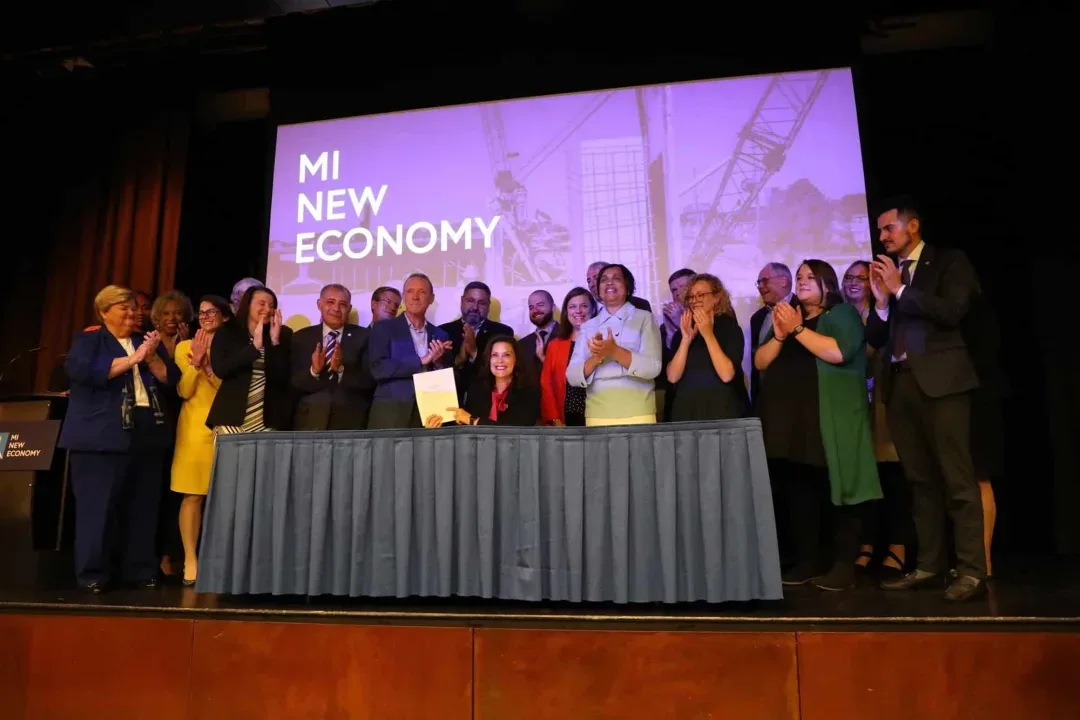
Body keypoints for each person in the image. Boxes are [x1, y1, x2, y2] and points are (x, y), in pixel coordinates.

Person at [867, 199, 986, 602]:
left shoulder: (948, 261)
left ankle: (971, 571)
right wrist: (881, 304)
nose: (882, 236)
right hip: (900, 385)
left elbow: (952, 311)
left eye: (888, 228)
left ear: (913, 226)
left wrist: (900, 289)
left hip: (942, 384)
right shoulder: (889, 275)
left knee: (957, 479)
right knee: (920, 481)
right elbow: (876, 338)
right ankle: (930, 565)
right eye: (880, 230)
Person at [755, 260, 881, 591]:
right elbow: (760, 361)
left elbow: (838, 352)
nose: (802, 281)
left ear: (827, 282)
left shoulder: (841, 314)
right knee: (801, 490)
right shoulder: (788, 315)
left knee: (841, 488)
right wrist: (780, 334)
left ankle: (843, 565)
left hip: (831, 418)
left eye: (810, 276)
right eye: (799, 276)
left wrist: (797, 330)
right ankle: (808, 561)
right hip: (793, 422)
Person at [58, 285, 180, 593]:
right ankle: (93, 574)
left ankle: (141, 569)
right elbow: (86, 372)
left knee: (143, 506)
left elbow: (170, 378)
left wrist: (151, 358)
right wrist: (134, 358)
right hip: (101, 436)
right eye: (124, 307)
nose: (132, 313)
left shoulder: (144, 340)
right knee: (97, 508)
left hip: (147, 432)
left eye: (133, 308)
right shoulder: (89, 341)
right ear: (104, 312)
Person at [841, 260, 913, 580]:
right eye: (849, 277)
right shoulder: (839, 316)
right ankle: (866, 543)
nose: (854, 282)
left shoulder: (887, 313)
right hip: (851, 407)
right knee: (862, 481)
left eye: (862, 277)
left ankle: (898, 545)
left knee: (891, 476)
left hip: (882, 403)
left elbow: (874, 352)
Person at [169, 295, 231, 586]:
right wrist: (195, 363)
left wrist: (207, 367)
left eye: (212, 312)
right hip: (194, 427)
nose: (205, 317)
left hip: (228, 426)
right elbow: (183, 391)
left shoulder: (233, 349)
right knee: (192, 495)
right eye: (202, 313)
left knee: (224, 497)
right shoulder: (184, 347)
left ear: (226, 317)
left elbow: (228, 389)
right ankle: (190, 559)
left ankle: (217, 558)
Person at [567, 263, 662, 426]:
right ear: (598, 291)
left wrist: (615, 351)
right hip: (598, 413)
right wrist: (596, 358)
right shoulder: (588, 326)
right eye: (604, 280)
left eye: (616, 278)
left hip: (639, 411)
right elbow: (572, 376)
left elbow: (653, 367)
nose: (609, 282)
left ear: (628, 287)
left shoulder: (645, 318)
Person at [368, 273, 452, 429]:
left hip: (430, 415)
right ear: (404, 296)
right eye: (410, 291)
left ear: (431, 298)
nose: (415, 297)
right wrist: (420, 361)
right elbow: (378, 368)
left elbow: (446, 377)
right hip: (391, 413)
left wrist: (438, 364)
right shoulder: (384, 328)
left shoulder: (440, 334)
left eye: (422, 292)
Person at [207, 286, 293, 434]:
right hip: (230, 417)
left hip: (268, 419)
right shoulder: (228, 331)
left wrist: (275, 341)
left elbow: (283, 376)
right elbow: (221, 369)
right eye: (262, 304)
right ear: (248, 305)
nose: (267, 309)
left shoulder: (283, 333)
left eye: (271, 305)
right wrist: (253, 348)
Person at [290, 284, 373, 430]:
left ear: (349, 308)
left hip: (350, 421)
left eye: (343, 304)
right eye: (330, 302)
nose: (336, 308)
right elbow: (293, 383)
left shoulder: (365, 337)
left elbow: (370, 381)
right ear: (319, 304)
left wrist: (341, 369)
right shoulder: (300, 337)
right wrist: (313, 371)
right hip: (310, 420)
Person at [666, 273, 748, 421]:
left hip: (723, 412)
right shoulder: (682, 332)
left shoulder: (730, 328)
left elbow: (726, 375)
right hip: (687, 412)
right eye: (691, 297)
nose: (695, 300)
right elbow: (672, 377)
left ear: (716, 297)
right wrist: (686, 340)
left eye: (701, 295)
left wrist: (708, 334)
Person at [424, 335, 540, 427]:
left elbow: (516, 429)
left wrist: (473, 421)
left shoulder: (529, 392)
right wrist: (437, 425)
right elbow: (463, 423)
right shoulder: (477, 389)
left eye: (506, 355)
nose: (500, 360)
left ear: (516, 359)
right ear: (489, 359)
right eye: (494, 355)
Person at [440, 281, 514, 405]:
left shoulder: (503, 332)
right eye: (470, 301)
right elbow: (437, 374)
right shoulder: (443, 331)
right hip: (449, 403)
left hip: (486, 404)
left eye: (481, 303)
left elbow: (503, 373)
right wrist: (459, 360)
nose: (475, 307)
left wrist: (474, 353)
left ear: (489, 305)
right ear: (462, 301)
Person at [540, 287, 598, 426]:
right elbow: (546, 383)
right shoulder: (555, 345)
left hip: (598, 415)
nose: (578, 311)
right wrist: (554, 418)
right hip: (566, 417)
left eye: (584, 306)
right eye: (572, 307)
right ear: (566, 312)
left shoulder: (601, 341)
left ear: (593, 310)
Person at [517, 289, 558, 373]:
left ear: (553, 307)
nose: (535, 310)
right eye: (531, 307)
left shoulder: (569, 335)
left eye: (540, 305)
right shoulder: (522, 344)